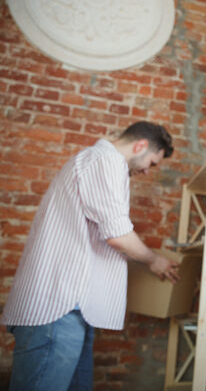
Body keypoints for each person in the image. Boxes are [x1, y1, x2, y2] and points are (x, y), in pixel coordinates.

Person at [1, 121, 181, 391]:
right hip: (58, 309)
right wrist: (154, 260)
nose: (146, 171)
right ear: (140, 145)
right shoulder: (106, 161)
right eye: (152, 163)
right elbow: (117, 233)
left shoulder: (97, 162)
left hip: (72, 310)